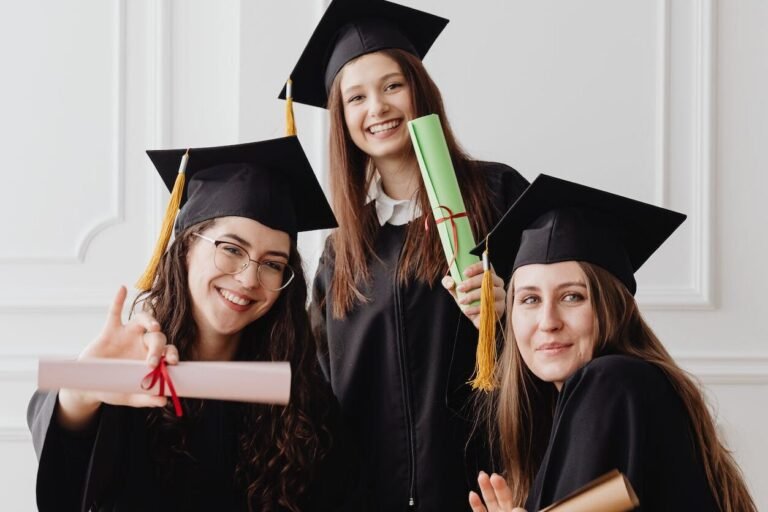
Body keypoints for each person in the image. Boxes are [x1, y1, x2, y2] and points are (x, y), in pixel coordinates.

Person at [280, 0, 529, 509]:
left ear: (420, 90)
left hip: (486, 493)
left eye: (393, 85)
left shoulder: (497, 196)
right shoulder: (342, 250)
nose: (378, 108)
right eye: (356, 97)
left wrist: (508, 314)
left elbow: (561, 333)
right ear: (341, 118)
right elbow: (319, 383)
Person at [27, 137, 355, 511]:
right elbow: (66, 482)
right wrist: (83, 388)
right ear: (184, 248)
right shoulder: (132, 373)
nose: (249, 279)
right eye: (231, 249)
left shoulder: (303, 399)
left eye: (273, 264)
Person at [467, 175, 757, 512]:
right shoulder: (631, 390)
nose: (548, 321)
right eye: (529, 300)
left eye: (573, 296)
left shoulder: (612, 381)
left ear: (612, 306)